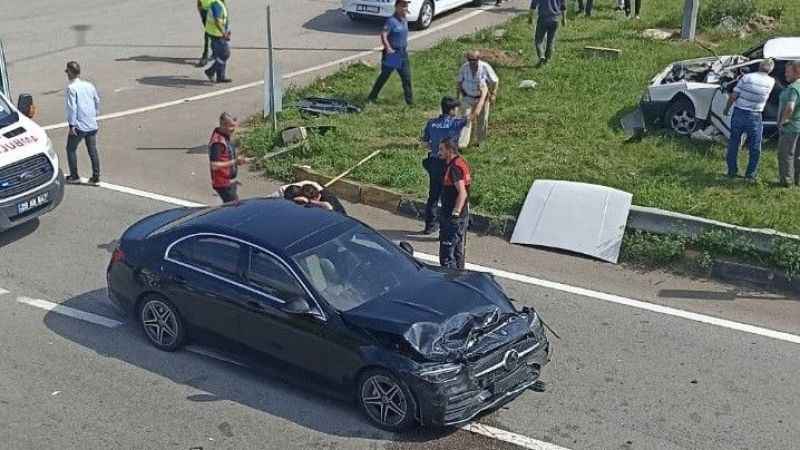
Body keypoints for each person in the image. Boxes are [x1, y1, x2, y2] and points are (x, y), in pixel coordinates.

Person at [724, 59, 776, 182]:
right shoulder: (772, 81)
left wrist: (726, 109)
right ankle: (750, 174)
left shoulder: (746, 77)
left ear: (759, 66)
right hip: (755, 115)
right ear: (771, 70)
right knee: (755, 145)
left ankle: (732, 171)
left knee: (734, 142)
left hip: (739, 113)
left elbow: (733, 96)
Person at [421, 97, 467, 234]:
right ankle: (445, 228)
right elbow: (472, 117)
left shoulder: (431, 123)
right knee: (448, 198)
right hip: (449, 165)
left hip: (434, 162)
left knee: (433, 196)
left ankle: (429, 226)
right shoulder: (455, 123)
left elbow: (425, 142)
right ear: (452, 110)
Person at [366, 0, 413, 105]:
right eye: (403, 5)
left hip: (402, 53)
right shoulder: (391, 21)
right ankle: (371, 97)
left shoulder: (404, 19)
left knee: (406, 78)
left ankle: (410, 103)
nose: (405, 7)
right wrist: (388, 49)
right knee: (384, 76)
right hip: (393, 54)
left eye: (406, 5)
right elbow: (383, 34)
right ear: (396, 7)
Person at [64, 61, 101, 185]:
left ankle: (74, 176)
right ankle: (96, 177)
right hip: (91, 123)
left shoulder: (71, 88)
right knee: (92, 150)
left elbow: (72, 108)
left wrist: (72, 125)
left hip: (79, 125)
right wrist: (94, 115)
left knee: (70, 149)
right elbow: (97, 100)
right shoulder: (89, 85)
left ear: (70, 72)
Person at [438, 137, 472, 270]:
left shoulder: (454, 168)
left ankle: (449, 282)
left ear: (449, 150)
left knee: (447, 256)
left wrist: (455, 214)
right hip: (462, 216)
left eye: (441, 149)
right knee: (458, 253)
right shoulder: (461, 162)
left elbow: (462, 193)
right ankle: (459, 277)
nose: (439, 152)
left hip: (453, 218)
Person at [456, 50, 499, 148]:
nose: (472, 62)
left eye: (474, 60)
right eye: (470, 60)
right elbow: (459, 82)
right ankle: (462, 144)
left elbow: (495, 81)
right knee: (465, 118)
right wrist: (457, 97)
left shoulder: (485, 67)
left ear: (478, 59)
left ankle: (481, 142)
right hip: (467, 96)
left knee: (482, 120)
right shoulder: (464, 67)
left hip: (481, 98)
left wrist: (493, 94)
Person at [209, 112, 248, 202]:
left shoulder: (224, 135)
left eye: (234, 126)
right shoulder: (218, 142)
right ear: (223, 125)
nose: (233, 129)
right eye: (231, 126)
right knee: (234, 207)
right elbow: (214, 165)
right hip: (221, 184)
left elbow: (227, 155)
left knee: (232, 205)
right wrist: (235, 162)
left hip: (226, 181)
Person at [778, 60, 800, 186]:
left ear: (797, 72)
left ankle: (787, 181)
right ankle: (798, 180)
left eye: (788, 72)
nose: (785, 74)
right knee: (798, 155)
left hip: (791, 127)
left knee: (786, 155)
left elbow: (790, 106)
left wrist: (783, 120)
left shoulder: (793, 88)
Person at [277, 180, 347, 214]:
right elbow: (282, 189)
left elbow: (328, 206)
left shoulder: (328, 199)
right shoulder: (312, 188)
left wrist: (310, 201)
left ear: (315, 199)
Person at [203, 0, 232, 83]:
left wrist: (226, 29)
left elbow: (223, 19)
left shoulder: (220, 3)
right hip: (216, 34)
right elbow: (217, 20)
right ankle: (210, 71)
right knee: (225, 54)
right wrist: (224, 33)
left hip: (215, 32)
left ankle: (220, 76)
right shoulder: (217, 4)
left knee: (221, 54)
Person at [531, 0, 567, 66]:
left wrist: (530, 17)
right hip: (555, 19)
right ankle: (547, 60)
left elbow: (533, 4)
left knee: (538, 40)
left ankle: (541, 56)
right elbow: (563, 6)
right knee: (551, 41)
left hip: (543, 19)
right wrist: (564, 19)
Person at [196, 0, 215, 67]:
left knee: (210, 31)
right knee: (208, 31)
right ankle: (208, 54)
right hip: (204, 9)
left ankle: (207, 55)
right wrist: (199, 6)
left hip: (214, 8)